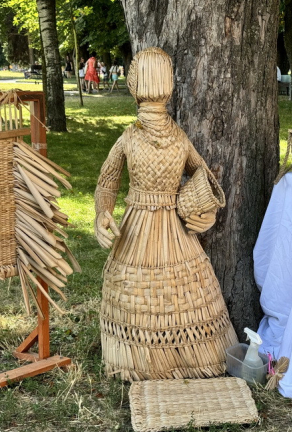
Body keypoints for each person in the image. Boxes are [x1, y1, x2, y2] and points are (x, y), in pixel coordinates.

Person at [94, 47, 237, 381]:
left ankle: (151, 362)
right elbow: (107, 184)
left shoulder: (142, 138)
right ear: (170, 86)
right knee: (177, 293)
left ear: (133, 85)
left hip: (161, 228)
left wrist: (208, 214)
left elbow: (108, 182)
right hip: (153, 229)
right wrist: (102, 212)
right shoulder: (163, 138)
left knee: (145, 292)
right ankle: (160, 360)